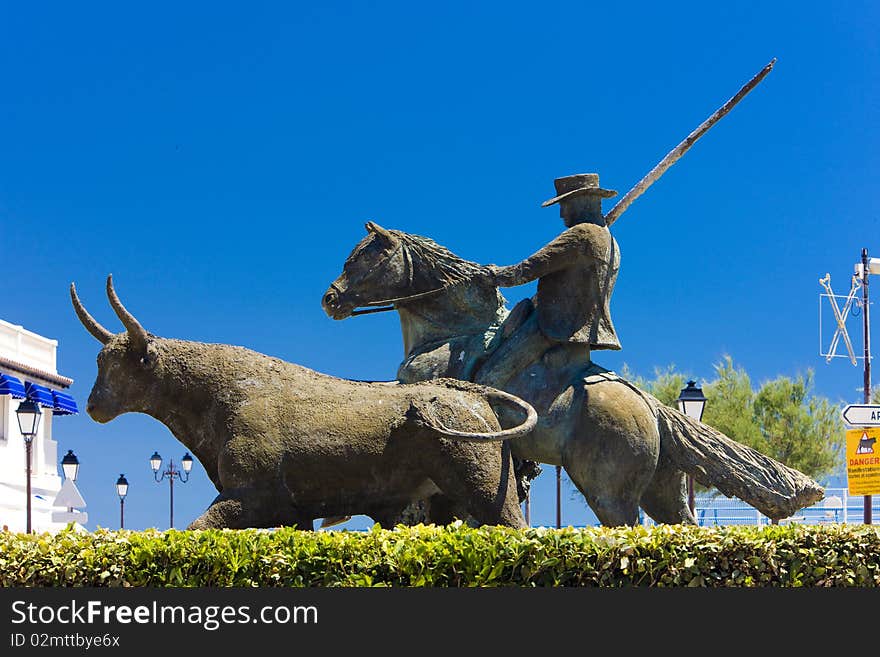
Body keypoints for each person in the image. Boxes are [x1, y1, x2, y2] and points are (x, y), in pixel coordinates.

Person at [489, 172, 621, 355]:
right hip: (582, 333)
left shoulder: (582, 234)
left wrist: (491, 275)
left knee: (491, 373)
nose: (561, 213)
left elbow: (526, 270)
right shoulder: (610, 240)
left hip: (557, 330)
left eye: (564, 204)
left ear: (581, 202)